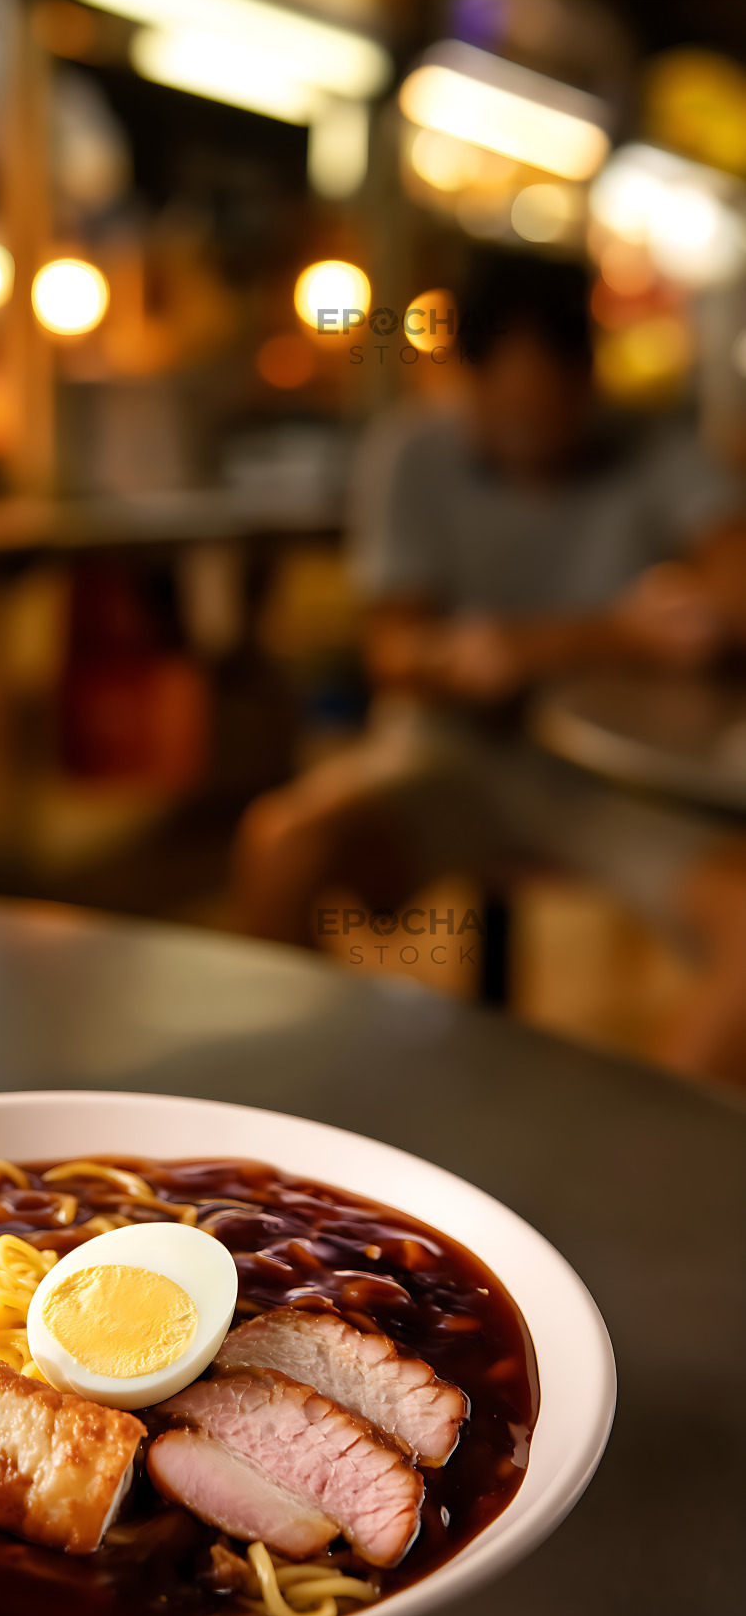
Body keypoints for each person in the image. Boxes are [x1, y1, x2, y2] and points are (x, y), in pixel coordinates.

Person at [233, 250, 746, 1084]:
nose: (531, 440)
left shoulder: (652, 446)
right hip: (450, 758)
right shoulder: (412, 452)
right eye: (508, 416)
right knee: (282, 846)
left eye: (553, 413)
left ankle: (631, 1181)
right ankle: (290, 1120)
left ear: (589, 384)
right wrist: (614, 633)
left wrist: (532, 646)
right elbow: (396, 657)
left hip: (619, 787)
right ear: (462, 382)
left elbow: (735, 581)